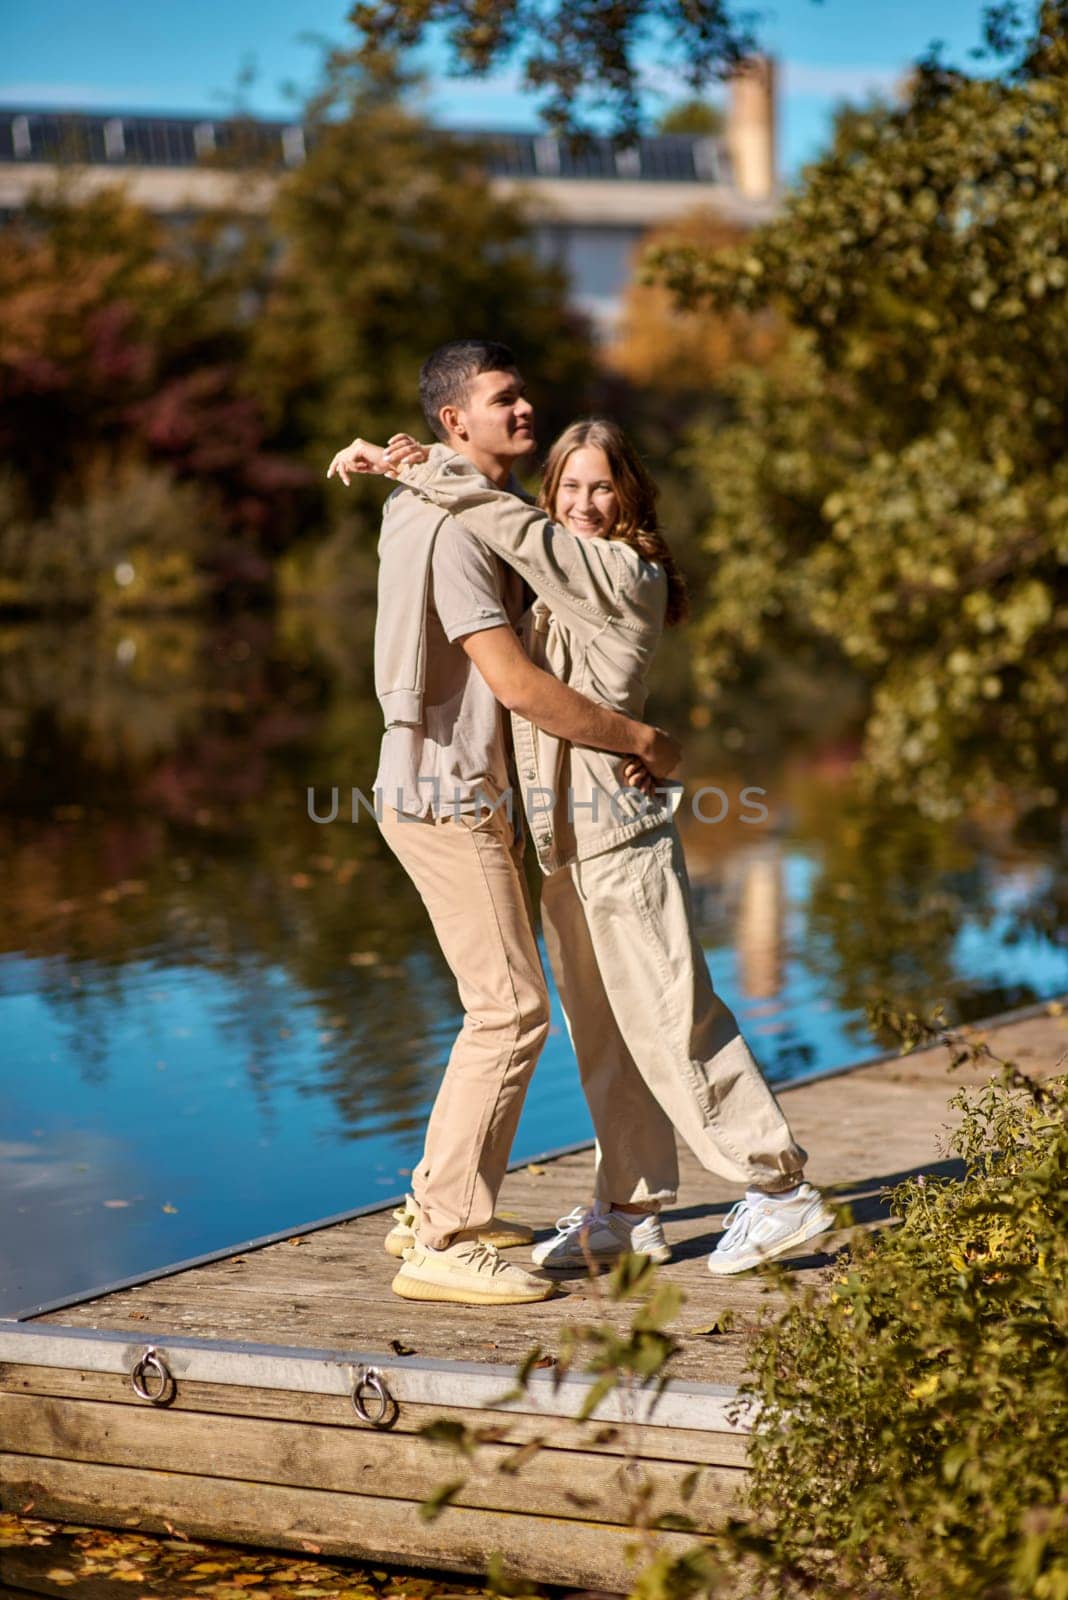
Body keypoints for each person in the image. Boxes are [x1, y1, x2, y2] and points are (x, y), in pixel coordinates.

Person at [329, 416, 835, 1277]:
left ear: (629, 495)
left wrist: (416, 469)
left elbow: (512, 530)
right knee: (603, 1034)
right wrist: (405, 466)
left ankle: (779, 1190)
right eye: (568, 487)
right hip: (562, 844)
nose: (584, 503)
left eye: (602, 486)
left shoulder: (620, 571)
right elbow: (503, 527)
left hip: (621, 841)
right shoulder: (556, 563)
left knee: (675, 1020)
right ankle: (626, 1209)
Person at [343, 342, 682, 1307]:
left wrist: (399, 458)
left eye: (523, 391)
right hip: (445, 793)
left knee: (503, 1004)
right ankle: (444, 1235)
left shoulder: (455, 504)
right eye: (503, 399)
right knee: (511, 1009)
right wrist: (643, 740)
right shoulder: (451, 532)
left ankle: (432, 1207)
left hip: (455, 790)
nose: (525, 407)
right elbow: (518, 684)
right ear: (458, 421)